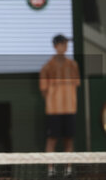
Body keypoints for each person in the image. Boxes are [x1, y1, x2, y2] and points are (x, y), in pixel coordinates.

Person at [39, 34, 80, 177]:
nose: (65, 46)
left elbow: (76, 85)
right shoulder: (47, 67)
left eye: (66, 44)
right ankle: (51, 170)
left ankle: (68, 170)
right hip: (54, 111)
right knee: (52, 140)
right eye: (62, 44)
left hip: (70, 109)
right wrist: (54, 100)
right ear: (56, 46)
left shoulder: (73, 65)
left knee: (69, 140)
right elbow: (44, 90)